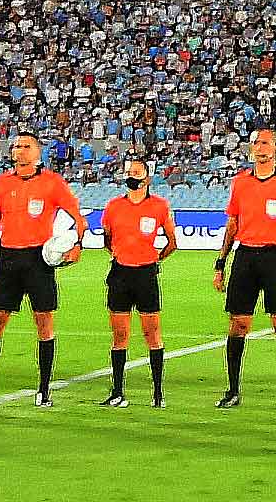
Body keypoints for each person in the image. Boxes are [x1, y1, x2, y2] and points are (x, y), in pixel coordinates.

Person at [0, 131, 84, 407]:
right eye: (17, 146)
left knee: (43, 322)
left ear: (37, 153)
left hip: (38, 259)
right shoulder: (2, 183)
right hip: (8, 258)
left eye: (26, 146)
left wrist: (77, 245)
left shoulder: (52, 183)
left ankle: (44, 390)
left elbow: (78, 218)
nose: (20, 150)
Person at [213, 127, 276, 410]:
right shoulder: (241, 182)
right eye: (256, 143)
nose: (260, 147)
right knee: (238, 324)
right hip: (245, 257)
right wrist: (221, 262)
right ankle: (233, 390)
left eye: (266, 142)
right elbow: (232, 225)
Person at [98, 158, 178, 408]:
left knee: (152, 334)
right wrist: (122, 256)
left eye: (136, 172)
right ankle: (118, 391)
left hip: (146, 275)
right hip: (120, 274)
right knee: (119, 335)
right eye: (128, 172)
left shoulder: (159, 206)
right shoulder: (113, 207)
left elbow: (172, 242)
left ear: (147, 177)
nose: (131, 175)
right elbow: (107, 240)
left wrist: (154, 259)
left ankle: (157, 393)